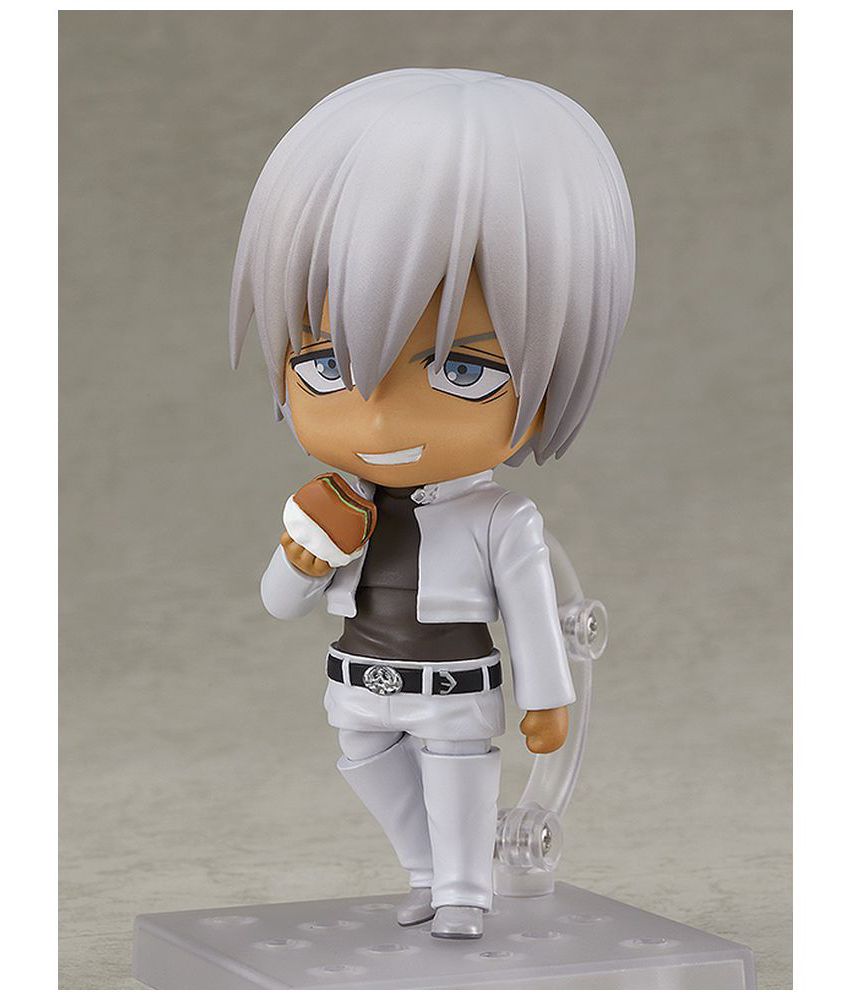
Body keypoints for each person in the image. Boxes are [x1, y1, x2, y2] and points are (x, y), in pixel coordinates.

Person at [230, 68, 635, 940]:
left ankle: (464, 891)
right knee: (364, 757)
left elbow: (533, 614)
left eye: (462, 370)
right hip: (358, 676)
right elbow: (278, 602)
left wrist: (548, 696)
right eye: (325, 365)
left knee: (457, 771)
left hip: (453, 682)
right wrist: (301, 555)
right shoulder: (333, 499)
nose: (377, 417)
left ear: (545, 387)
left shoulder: (500, 520)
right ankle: (428, 871)